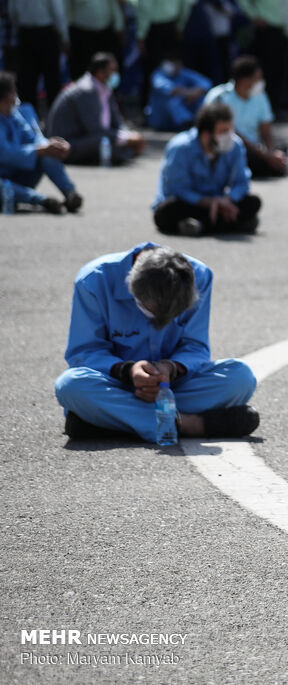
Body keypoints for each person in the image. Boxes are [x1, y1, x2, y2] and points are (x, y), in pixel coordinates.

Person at [54, 243, 260, 442]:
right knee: (70, 385)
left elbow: (196, 347)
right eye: (154, 313)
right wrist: (127, 371)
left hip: (170, 388)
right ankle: (189, 424)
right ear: (132, 289)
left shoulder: (201, 276)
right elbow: (84, 352)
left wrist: (171, 368)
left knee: (240, 377)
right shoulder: (93, 280)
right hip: (117, 385)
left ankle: (108, 423)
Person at [152, 102, 260, 237]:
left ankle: (199, 225)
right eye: (222, 132)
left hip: (220, 204)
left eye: (230, 130)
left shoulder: (235, 146)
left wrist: (228, 200)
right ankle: (225, 225)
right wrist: (208, 203)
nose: (228, 136)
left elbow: (242, 182)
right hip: (188, 204)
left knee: (253, 202)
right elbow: (177, 189)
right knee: (166, 212)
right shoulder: (180, 148)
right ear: (205, 135)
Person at [0, 72, 81, 213]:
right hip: (3, 183)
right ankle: (42, 201)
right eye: (14, 92)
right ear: (6, 98)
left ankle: (70, 194)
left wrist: (52, 146)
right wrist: (39, 150)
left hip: (20, 175)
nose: (16, 96)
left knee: (48, 152)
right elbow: (5, 154)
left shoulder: (13, 115)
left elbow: (32, 138)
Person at [203, 56, 288, 178]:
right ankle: (285, 166)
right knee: (251, 160)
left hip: (257, 148)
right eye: (258, 78)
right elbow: (231, 134)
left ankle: (282, 164)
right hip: (228, 147)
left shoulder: (260, 96)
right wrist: (266, 156)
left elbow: (266, 131)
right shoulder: (220, 97)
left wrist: (271, 153)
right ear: (245, 81)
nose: (262, 81)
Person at [47, 53, 146, 165]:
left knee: (127, 143)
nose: (115, 75)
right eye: (112, 70)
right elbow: (94, 129)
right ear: (100, 72)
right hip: (68, 144)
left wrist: (129, 136)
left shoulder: (106, 90)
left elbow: (117, 123)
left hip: (92, 137)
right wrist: (126, 139)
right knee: (107, 144)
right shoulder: (86, 90)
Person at [136, 0, 193, 110]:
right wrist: (180, 25)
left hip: (154, 31)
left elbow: (145, 7)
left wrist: (141, 35)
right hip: (172, 28)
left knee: (152, 72)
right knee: (173, 70)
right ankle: (177, 108)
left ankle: (150, 110)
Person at [7, 0, 67, 113]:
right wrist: (64, 38)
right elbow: (58, 15)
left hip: (26, 36)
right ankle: (55, 119)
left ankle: (30, 120)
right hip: (47, 36)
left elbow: (13, 16)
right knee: (52, 81)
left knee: (27, 82)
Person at [62, 0, 124, 80]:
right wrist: (65, 38)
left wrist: (119, 26)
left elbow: (112, 2)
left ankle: (109, 99)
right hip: (82, 36)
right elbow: (65, 13)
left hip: (105, 34)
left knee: (110, 72)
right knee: (82, 72)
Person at [234, 0, 288, 110]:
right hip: (267, 33)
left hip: (279, 33)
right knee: (265, 72)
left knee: (277, 71)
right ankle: (262, 107)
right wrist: (254, 15)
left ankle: (273, 107)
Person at [146, 53, 211, 132]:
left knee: (203, 98)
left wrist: (195, 94)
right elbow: (172, 90)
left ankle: (198, 123)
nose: (175, 65)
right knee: (173, 101)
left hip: (177, 123)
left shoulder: (182, 73)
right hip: (160, 122)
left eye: (176, 62)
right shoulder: (158, 74)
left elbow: (206, 83)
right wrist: (189, 93)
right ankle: (187, 123)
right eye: (172, 62)